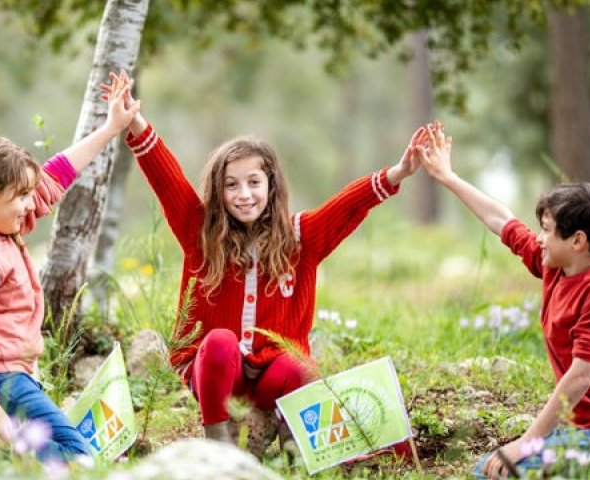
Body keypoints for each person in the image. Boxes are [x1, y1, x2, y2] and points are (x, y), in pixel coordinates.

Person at [107, 71, 427, 453]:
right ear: (219, 190)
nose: (244, 194)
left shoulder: (301, 237)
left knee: (299, 367)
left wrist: (398, 173)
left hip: (272, 372)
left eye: (254, 183)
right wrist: (136, 125)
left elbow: (347, 206)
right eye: (232, 185)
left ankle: (299, 444)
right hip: (218, 373)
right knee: (221, 342)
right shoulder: (200, 232)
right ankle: (218, 446)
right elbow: (167, 179)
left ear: (271, 186)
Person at [0, 72, 140, 462]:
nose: (29, 203)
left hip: (10, 379)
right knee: (79, 459)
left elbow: (56, 176)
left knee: (58, 451)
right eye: (21, 196)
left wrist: (111, 128)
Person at [417, 122, 590, 479]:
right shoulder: (557, 267)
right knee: (489, 470)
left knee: (493, 473)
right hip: (579, 428)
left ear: (578, 241)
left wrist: (525, 443)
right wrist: (448, 177)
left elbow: (580, 376)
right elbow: (502, 220)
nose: (539, 238)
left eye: (546, 229)